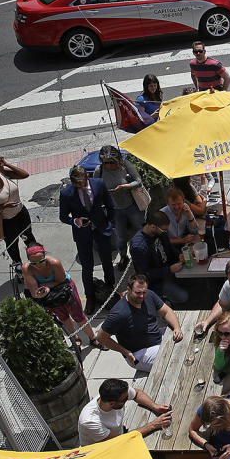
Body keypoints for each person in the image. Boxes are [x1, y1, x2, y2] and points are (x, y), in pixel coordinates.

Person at [95, 274, 184, 371]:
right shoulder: (118, 313)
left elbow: (166, 311)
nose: (142, 296)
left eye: (144, 292)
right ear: (128, 289)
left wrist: (176, 328)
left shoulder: (149, 295)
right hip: (139, 353)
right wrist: (125, 352)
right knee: (176, 359)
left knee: (186, 336)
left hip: (157, 336)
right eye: (137, 293)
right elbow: (101, 337)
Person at [59, 165, 116, 315]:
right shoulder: (66, 193)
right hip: (82, 234)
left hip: (101, 228)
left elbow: (110, 205)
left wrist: (110, 224)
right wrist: (75, 221)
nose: (80, 186)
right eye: (76, 184)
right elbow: (63, 217)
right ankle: (90, 297)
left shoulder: (99, 184)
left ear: (87, 178)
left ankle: (110, 289)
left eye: (82, 183)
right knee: (87, 266)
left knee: (107, 261)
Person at [23, 243, 96, 347]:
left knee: (79, 316)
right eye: (34, 263)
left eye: (41, 261)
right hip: (49, 295)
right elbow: (34, 291)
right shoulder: (27, 268)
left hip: (65, 288)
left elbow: (62, 281)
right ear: (29, 261)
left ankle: (93, 338)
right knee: (63, 317)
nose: (38, 265)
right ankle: (75, 338)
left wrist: (44, 286)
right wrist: (39, 293)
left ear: (45, 255)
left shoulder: (54, 263)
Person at [93, 146, 145, 271]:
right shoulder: (99, 171)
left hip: (132, 205)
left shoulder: (125, 165)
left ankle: (144, 253)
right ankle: (123, 257)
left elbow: (138, 181)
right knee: (120, 236)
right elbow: (95, 189)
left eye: (112, 162)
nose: (109, 165)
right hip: (114, 209)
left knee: (141, 230)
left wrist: (125, 186)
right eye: (106, 163)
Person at [77, 378, 171, 445]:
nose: (128, 397)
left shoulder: (117, 394)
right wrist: (154, 425)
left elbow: (137, 393)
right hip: (103, 449)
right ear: (112, 404)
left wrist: (155, 406)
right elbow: (120, 440)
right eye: (125, 399)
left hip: (118, 435)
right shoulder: (90, 421)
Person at [129, 210, 189, 305]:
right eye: (164, 230)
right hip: (156, 282)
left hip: (169, 269)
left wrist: (179, 255)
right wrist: (169, 270)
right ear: (153, 226)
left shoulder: (159, 232)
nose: (165, 232)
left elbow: (169, 247)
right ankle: (163, 301)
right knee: (183, 296)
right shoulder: (139, 247)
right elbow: (145, 274)